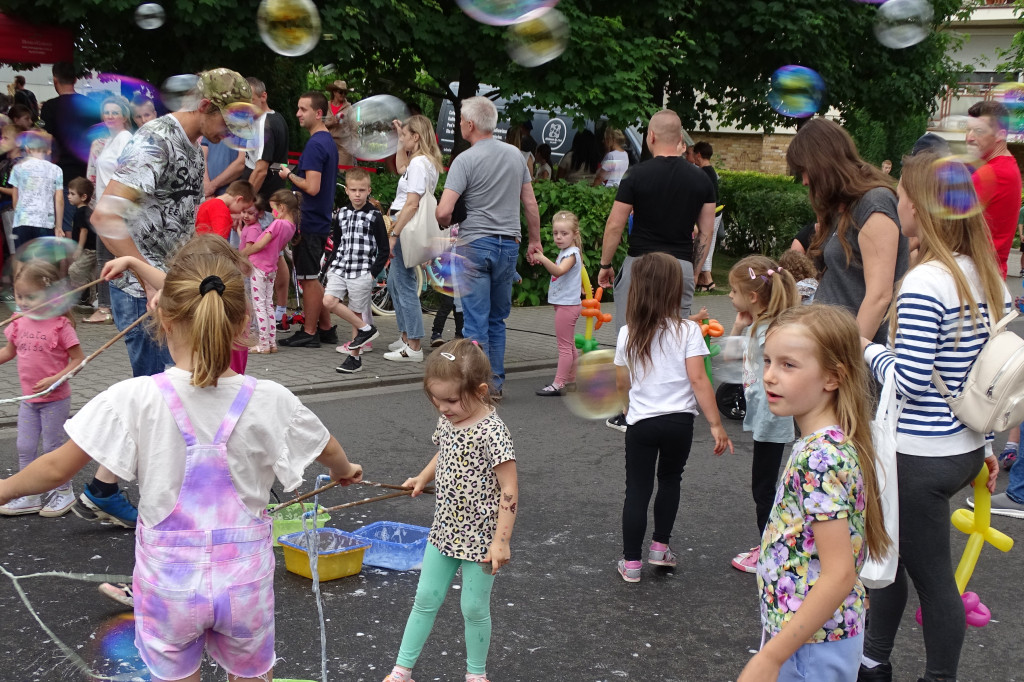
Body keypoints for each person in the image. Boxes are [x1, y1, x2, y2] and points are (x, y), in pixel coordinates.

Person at [0, 237, 364, 682]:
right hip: (243, 584)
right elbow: (327, 447)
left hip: (167, 587)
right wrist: (345, 471)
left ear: (160, 314)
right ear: (243, 323)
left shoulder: (133, 398)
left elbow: (57, 467)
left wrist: (3, 489)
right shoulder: (271, 399)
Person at [82, 67, 254, 529]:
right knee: (162, 403)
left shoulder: (192, 146)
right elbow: (105, 215)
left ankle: (106, 487)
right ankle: (158, 508)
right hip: (146, 291)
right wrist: (149, 280)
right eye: (230, 120)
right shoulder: (156, 139)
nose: (233, 133)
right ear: (205, 107)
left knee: (164, 397)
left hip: (166, 285)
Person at [859, 153, 1008, 682]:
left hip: (918, 457)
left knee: (928, 579)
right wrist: (986, 449)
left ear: (920, 207)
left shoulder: (926, 283)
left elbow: (909, 381)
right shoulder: (982, 277)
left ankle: (925, 673)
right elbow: (979, 375)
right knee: (895, 562)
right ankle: (872, 660)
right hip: (962, 447)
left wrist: (863, 347)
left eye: (901, 194)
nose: (896, 203)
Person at [738, 304, 890, 682]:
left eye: (788, 365)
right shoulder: (825, 443)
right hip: (811, 635)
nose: (770, 376)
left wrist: (771, 657)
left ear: (832, 378)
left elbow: (839, 573)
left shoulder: (821, 456)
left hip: (811, 646)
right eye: (768, 361)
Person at [381, 339, 517, 682]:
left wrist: (501, 541)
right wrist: (421, 477)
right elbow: (443, 451)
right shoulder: (450, 419)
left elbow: (510, 491)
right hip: (444, 530)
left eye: (451, 400)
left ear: (481, 390)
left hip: (481, 539)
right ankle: (402, 670)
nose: (443, 408)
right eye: (436, 400)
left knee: (473, 608)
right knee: (424, 598)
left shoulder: (493, 432)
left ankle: (476, 675)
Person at [613, 252, 733, 583]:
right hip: (680, 422)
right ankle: (660, 548)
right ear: (674, 290)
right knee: (670, 480)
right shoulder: (688, 331)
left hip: (642, 422)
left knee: (637, 489)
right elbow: (699, 380)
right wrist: (715, 424)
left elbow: (622, 381)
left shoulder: (628, 333)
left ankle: (632, 563)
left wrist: (626, 408)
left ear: (637, 289)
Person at [598, 109, 716, 431]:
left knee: (633, 336)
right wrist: (691, 269)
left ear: (650, 137)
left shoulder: (636, 175)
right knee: (677, 336)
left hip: (639, 265)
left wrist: (605, 265)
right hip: (680, 267)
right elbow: (705, 232)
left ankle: (630, 411)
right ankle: (675, 409)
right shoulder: (701, 179)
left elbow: (615, 224)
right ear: (681, 141)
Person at [436, 97, 542, 397]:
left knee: (474, 322)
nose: (459, 125)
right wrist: (534, 241)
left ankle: (474, 387)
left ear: (470, 124)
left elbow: (444, 211)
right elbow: (530, 203)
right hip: (508, 245)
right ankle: (493, 384)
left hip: (474, 246)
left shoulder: (464, 160)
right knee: (497, 320)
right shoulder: (515, 156)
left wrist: (442, 219)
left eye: (460, 121)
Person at [785, 117, 908, 345]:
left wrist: (847, 361)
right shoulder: (845, 206)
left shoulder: (874, 203)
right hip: (831, 344)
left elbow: (879, 297)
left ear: (822, 163)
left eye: (804, 171)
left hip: (857, 358)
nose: (803, 181)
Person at [726, 255, 799, 574]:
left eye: (733, 291)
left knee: (764, 488)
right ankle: (774, 545)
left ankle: (771, 552)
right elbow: (730, 356)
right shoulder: (760, 325)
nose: (729, 296)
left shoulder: (772, 330)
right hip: (765, 414)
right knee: (767, 485)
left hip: (772, 416)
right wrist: (741, 325)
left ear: (752, 297)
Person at [0, 260, 85, 517]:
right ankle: (29, 495)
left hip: (55, 400)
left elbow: (79, 360)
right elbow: (8, 352)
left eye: (30, 296)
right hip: (29, 400)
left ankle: (63, 493)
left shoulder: (61, 325)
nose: (23, 302)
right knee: (25, 447)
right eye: (19, 296)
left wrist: (55, 379)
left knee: (52, 448)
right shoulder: (18, 322)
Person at [277, 90, 339, 348]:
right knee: (310, 276)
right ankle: (325, 328)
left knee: (308, 279)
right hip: (318, 219)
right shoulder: (326, 141)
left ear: (319, 112)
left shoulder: (315, 144)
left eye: (303, 109)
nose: (298, 114)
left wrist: (288, 175)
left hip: (310, 221)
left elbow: (312, 187)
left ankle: (310, 332)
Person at [385, 115, 446, 363]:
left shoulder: (420, 163)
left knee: (404, 283)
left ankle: (414, 345)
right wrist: (401, 139)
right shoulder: (421, 162)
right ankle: (406, 335)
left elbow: (412, 204)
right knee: (394, 282)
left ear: (417, 136)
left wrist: (394, 232)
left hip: (405, 224)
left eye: (406, 135)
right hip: (405, 222)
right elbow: (401, 168)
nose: (403, 139)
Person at [325, 169, 387, 373]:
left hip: (362, 270)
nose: (358, 194)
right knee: (329, 301)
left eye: (362, 190)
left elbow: (384, 249)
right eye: (353, 190)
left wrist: (372, 273)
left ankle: (354, 359)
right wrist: (328, 267)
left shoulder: (374, 216)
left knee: (356, 312)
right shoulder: (341, 213)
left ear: (368, 190)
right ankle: (367, 329)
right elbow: (337, 243)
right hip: (340, 267)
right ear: (347, 191)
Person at [84, 95, 134, 325]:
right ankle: (109, 306)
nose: (110, 117)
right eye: (107, 112)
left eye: (115, 112)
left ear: (124, 116)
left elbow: (125, 174)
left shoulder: (125, 139)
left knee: (111, 256)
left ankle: (107, 308)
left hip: (115, 207)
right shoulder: (110, 140)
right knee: (106, 256)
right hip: (105, 206)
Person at [39, 62, 99, 236]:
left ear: (55, 80)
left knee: (66, 224)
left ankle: (70, 261)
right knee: (85, 223)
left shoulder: (49, 107)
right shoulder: (89, 105)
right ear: (74, 79)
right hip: (87, 171)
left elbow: (45, 138)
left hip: (62, 172)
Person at [967, 100, 1022, 281]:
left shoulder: (991, 174)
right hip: (990, 277)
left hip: (976, 279)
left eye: (979, 131)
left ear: (1001, 135)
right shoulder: (1007, 165)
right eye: (968, 130)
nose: (969, 137)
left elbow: (944, 229)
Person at [240, 189, 297, 353]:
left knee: (259, 306)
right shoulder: (291, 227)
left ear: (283, 208)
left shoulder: (278, 223)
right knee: (268, 305)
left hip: (259, 265)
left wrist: (240, 254)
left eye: (274, 209)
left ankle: (263, 344)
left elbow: (259, 245)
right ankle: (271, 342)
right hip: (271, 267)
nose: (272, 213)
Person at [533, 210, 583, 396]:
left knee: (564, 347)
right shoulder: (568, 251)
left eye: (564, 233)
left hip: (567, 306)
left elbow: (558, 271)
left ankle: (559, 383)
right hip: (566, 304)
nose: (559, 237)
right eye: (556, 233)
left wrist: (542, 258)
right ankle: (571, 381)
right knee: (569, 345)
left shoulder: (570, 254)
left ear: (575, 234)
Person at [10, 130, 63, 249]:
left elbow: (15, 199)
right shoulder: (56, 170)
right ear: (48, 150)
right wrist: (58, 226)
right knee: (42, 263)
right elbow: (59, 200)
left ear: (27, 148)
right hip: (45, 223)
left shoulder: (18, 168)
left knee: (21, 261)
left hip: (22, 222)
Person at [244, 77, 289, 201]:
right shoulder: (278, 117)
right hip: (273, 198)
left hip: (261, 203)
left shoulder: (264, 124)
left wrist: (244, 203)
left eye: (250, 100)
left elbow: (261, 171)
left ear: (263, 97)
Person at [693, 140, 720, 292]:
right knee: (709, 242)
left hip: (709, 213)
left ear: (698, 155)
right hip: (716, 212)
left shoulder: (702, 173)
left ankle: (706, 279)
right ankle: (706, 279)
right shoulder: (712, 172)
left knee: (704, 243)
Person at [66, 177, 97, 298]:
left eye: (72, 194)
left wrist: (79, 248)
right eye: (69, 193)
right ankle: (89, 298)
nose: (69, 196)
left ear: (83, 197)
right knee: (90, 273)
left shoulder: (82, 212)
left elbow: (83, 231)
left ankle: (84, 292)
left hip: (88, 250)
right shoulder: (84, 211)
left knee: (75, 270)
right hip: (90, 249)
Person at [325, 79, 356, 168]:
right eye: (340, 92)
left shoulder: (349, 108)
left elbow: (354, 128)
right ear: (334, 92)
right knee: (327, 170)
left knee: (342, 173)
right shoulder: (326, 106)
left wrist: (354, 147)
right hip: (328, 143)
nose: (343, 95)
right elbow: (319, 124)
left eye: (345, 93)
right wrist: (332, 122)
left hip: (344, 146)